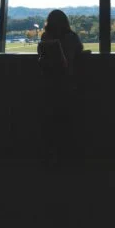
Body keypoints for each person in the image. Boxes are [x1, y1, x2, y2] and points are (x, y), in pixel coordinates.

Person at [37, 10, 85, 168]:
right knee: (68, 122)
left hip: (49, 84)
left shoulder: (46, 37)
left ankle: (52, 157)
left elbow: (41, 56)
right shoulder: (72, 37)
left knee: (51, 123)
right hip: (68, 83)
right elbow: (79, 53)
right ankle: (69, 157)